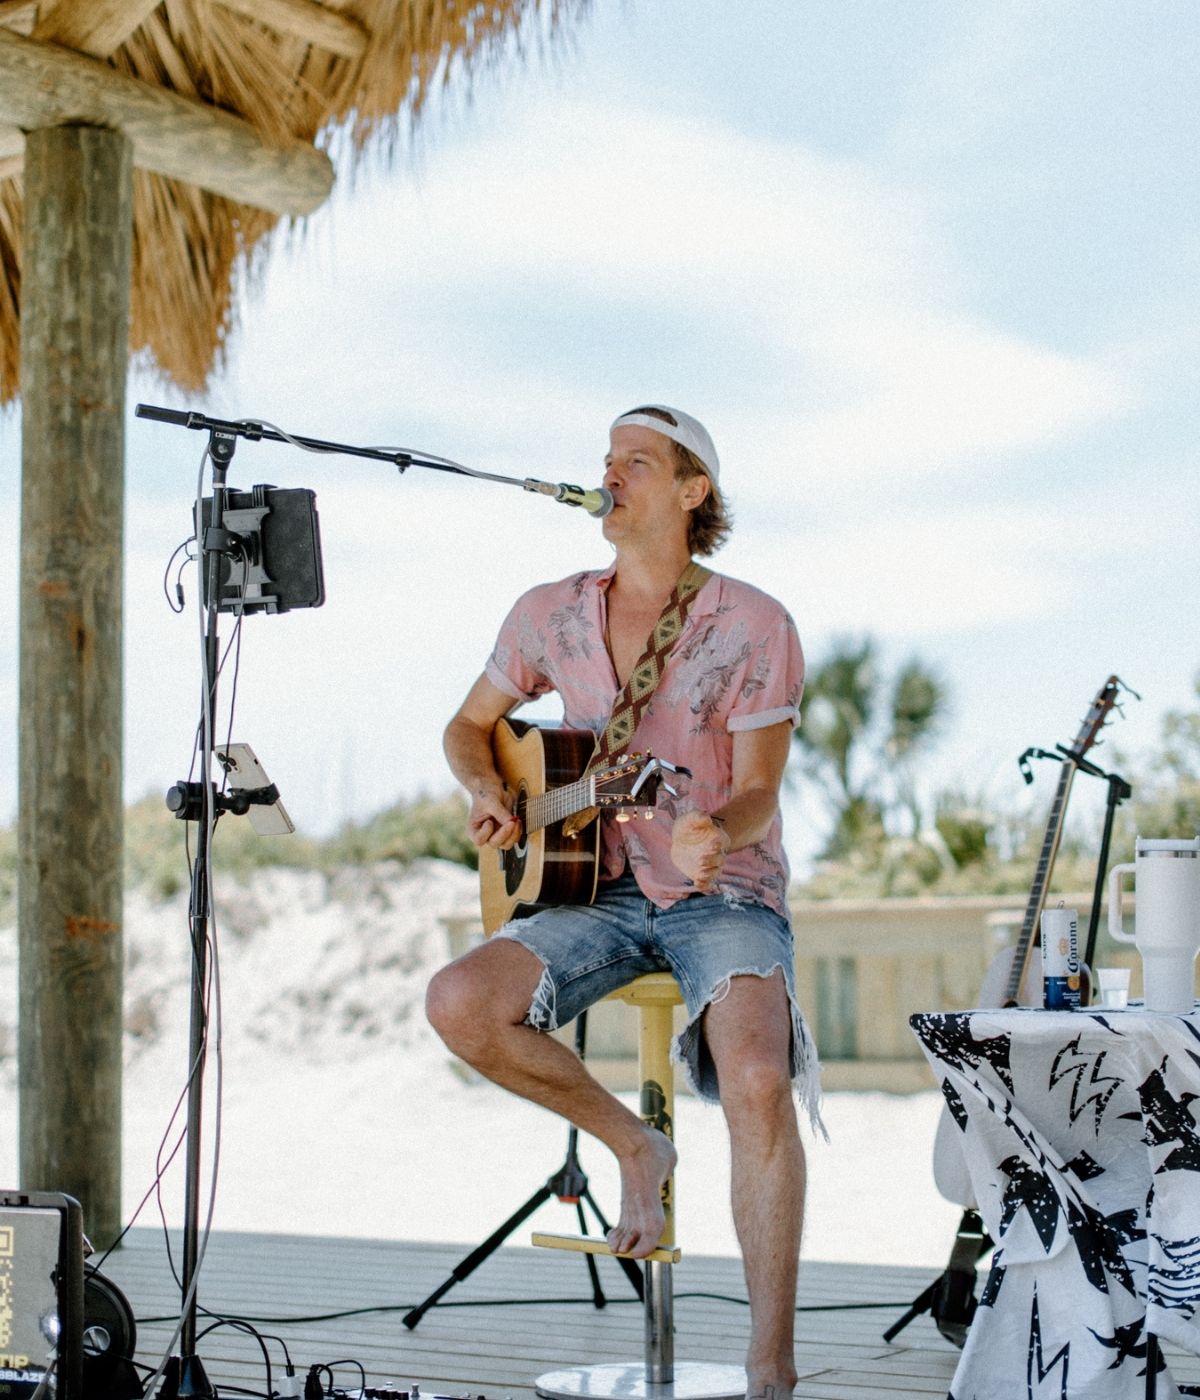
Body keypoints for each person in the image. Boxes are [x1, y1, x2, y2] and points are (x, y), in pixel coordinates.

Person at [426, 405, 822, 1400]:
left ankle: (769, 1366)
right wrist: (489, 790)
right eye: (608, 461)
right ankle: (632, 1140)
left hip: (718, 888)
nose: (612, 475)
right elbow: (470, 726)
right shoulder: (547, 611)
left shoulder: (755, 622)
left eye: (636, 462)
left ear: (693, 491)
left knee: (760, 1083)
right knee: (457, 1002)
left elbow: (762, 787)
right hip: (587, 889)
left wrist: (715, 830)